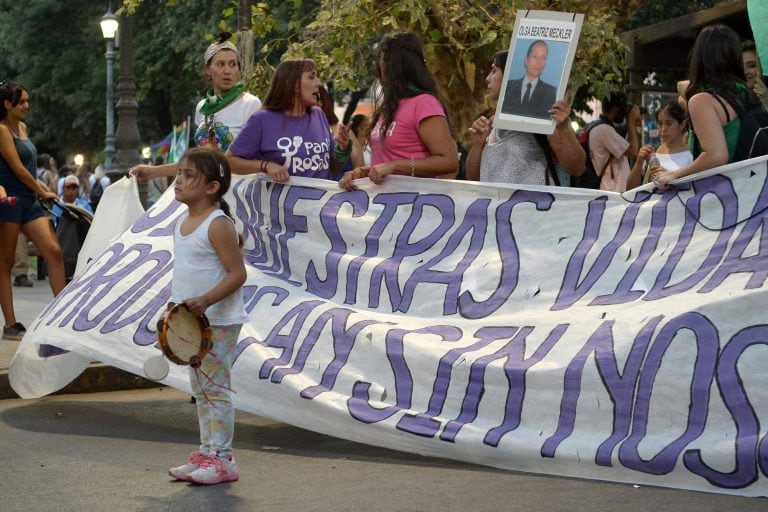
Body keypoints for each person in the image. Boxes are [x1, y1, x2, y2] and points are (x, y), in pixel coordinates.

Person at [167, 148, 247, 485]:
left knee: (216, 390)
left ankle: (223, 458)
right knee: (202, 391)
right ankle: (207, 452)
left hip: (219, 323)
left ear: (212, 187)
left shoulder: (218, 224)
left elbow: (237, 273)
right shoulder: (182, 222)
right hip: (194, 325)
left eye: (188, 175)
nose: (179, 181)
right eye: (179, 173)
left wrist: (207, 299)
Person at [129, 31, 261, 181]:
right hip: (207, 189)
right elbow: (201, 163)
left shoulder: (250, 104)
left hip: (240, 190)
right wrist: (154, 171)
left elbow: (256, 158)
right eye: (220, 64)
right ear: (208, 69)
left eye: (233, 64)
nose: (227, 71)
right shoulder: (203, 107)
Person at [339, 31, 458, 190]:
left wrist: (394, 166)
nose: (377, 66)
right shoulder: (387, 108)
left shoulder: (424, 104)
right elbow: (385, 168)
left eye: (380, 59)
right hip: (382, 209)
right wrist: (361, 172)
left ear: (394, 64)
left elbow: (448, 162)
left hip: (415, 207)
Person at [653, 25, 762, 190]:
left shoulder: (702, 101)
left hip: (721, 196)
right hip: (753, 191)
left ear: (700, 57)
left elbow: (716, 155)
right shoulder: (743, 92)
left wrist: (675, 174)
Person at [0, 82, 65, 341]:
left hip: (29, 199)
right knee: (4, 263)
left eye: (27, 100)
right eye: (22, 101)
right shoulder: (2, 130)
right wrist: (41, 190)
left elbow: (29, 171)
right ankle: (11, 323)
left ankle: (62, 314)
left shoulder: (23, 128)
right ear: (7, 104)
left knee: (53, 251)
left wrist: (43, 189)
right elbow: (17, 170)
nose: (27, 105)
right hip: (11, 202)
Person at [465, 50, 584, 185]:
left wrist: (563, 129)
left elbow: (577, 168)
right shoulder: (489, 122)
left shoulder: (544, 116)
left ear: (511, 75)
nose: (487, 78)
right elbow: (473, 177)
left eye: (494, 71)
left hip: (537, 205)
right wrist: (478, 145)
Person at [226, 58, 351, 181]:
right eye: (311, 77)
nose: (318, 83)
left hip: (322, 201)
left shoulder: (318, 114)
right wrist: (265, 166)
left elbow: (332, 170)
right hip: (278, 201)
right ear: (294, 84)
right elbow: (229, 161)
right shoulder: (262, 119)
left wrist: (342, 150)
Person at [627, 101, 692, 189]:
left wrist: (670, 178)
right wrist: (639, 162)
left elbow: (695, 190)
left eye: (669, 123)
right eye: (660, 124)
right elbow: (630, 189)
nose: (663, 129)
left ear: (682, 124)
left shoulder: (691, 155)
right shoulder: (653, 153)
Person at [588, 92, 642, 193]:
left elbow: (626, 147)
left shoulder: (600, 128)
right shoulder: (604, 130)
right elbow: (633, 151)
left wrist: (633, 123)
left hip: (611, 190)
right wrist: (630, 121)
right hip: (613, 191)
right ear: (615, 109)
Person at [500, 40, 558, 120]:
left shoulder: (550, 92)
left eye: (543, 58)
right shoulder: (509, 86)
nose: (539, 62)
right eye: (534, 56)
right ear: (526, 60)